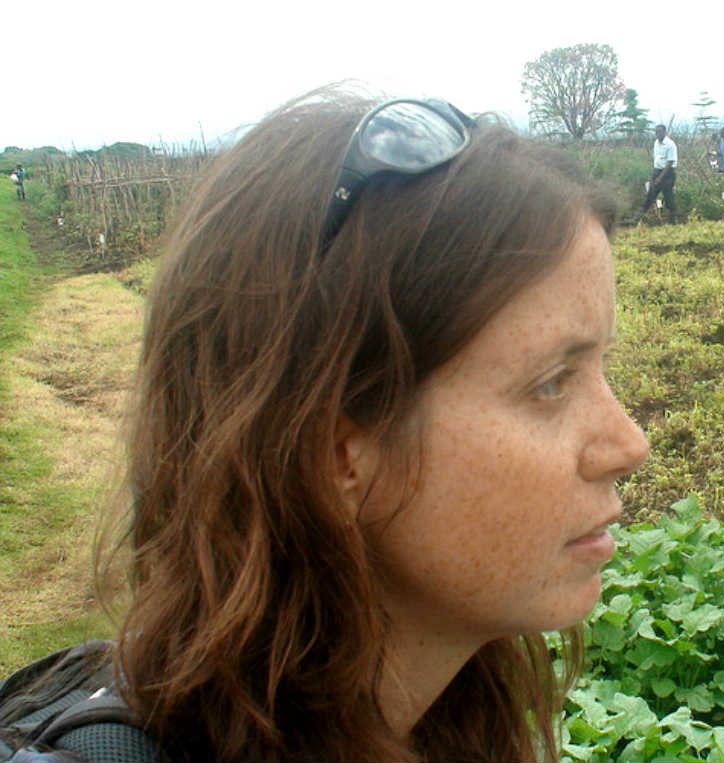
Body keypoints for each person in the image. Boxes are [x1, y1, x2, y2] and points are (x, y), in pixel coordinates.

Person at [0, 86, 648, 762]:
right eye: (550, 383)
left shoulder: (450, 718)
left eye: (601, 366)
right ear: (336, 453)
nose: (630, 442)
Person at [634, 124, 678, 223]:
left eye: (660, 132)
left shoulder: (670, 144)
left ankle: (673, 220)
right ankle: (637, 219)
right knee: (650, 195)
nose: (658, 134)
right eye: (656, 132)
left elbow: (670, 162)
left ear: (664, 132)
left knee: (668, 197)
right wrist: (654, 175)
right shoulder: (656, 143)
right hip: (657, 171)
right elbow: (656, 160)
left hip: (668, 173)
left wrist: (660, 178)